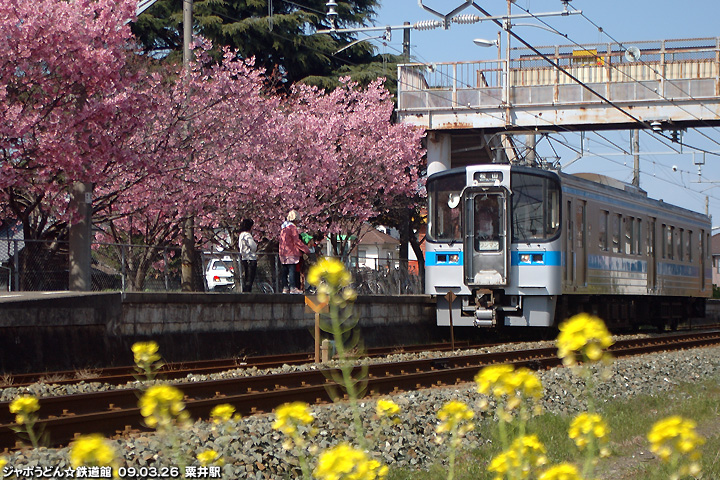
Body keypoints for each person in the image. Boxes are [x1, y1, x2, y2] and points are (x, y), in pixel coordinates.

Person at [279, 210, 310, 294]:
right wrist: (305, 249)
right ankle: (293, 287)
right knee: (292, 269)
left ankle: (285, 287)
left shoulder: (283, 228)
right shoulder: (292, 228)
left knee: (285, 270)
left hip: (282, 252)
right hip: (291, 252)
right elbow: (296, 241)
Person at [238, 218, 258, 293]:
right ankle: (248, 292)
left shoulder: (241, 235)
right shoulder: (247, 235)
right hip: (250, 258)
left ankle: (245, 292)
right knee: (250, 278)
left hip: (244, 258)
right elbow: (253, 246)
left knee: (246, 277)